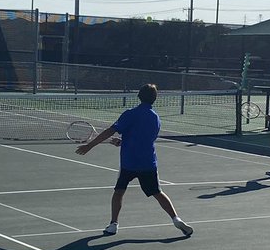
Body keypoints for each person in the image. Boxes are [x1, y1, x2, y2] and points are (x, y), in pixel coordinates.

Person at [75, 83, 194, 237]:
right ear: (154, 99)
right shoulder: (155, 118)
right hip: (148, 163)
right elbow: (143, 139)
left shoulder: (130, 114)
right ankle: (176, 218)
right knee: (157, 193)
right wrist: (123, 142)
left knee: (118, 192)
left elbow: (110, 131)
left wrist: (89, 146)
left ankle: (113, 224)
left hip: (129, 164)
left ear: (139, 96)